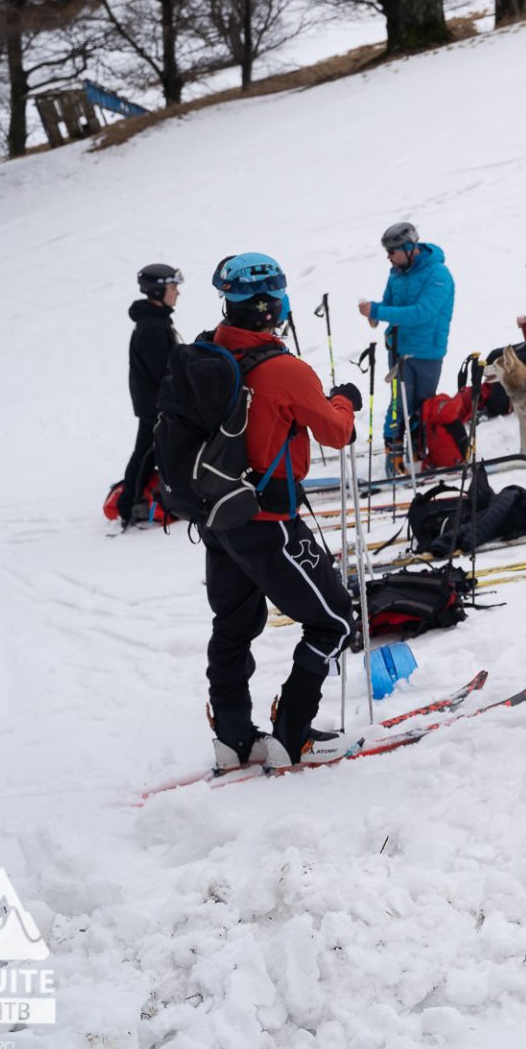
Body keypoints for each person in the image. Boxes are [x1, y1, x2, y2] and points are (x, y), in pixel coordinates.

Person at [200, 252, 366, 768]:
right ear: (275, 307)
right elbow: (337, 433)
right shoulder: (285, 369)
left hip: (218, 517)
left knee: (234, 623)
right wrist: (345, 401)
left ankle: (232, 738)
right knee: (335, 618)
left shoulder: (208, 352)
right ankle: (293, 737)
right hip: (268, 523)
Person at [359, 221, 454, 473]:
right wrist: (374, 313)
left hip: (426, 351)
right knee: (398, 403)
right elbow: (390, 303)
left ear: (410, 247)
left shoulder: (438, 275)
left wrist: (381, 310)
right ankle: (395, 454)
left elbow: (423, 313)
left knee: (422, 404)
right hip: (399, 350)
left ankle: (418, 451)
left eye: (393, 252)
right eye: (387, 253)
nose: (389, 258)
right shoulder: (396, 274)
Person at [117, 263, 181, 528]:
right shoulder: (152, 328)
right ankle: (129, 505)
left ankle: (134, 500)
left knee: (150, 452)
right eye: (172, 287)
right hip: (156, 405)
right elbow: (163, 371)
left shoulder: (156, 322)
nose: (177, 292)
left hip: (155, 403)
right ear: (157, 292)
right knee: (147, 453)